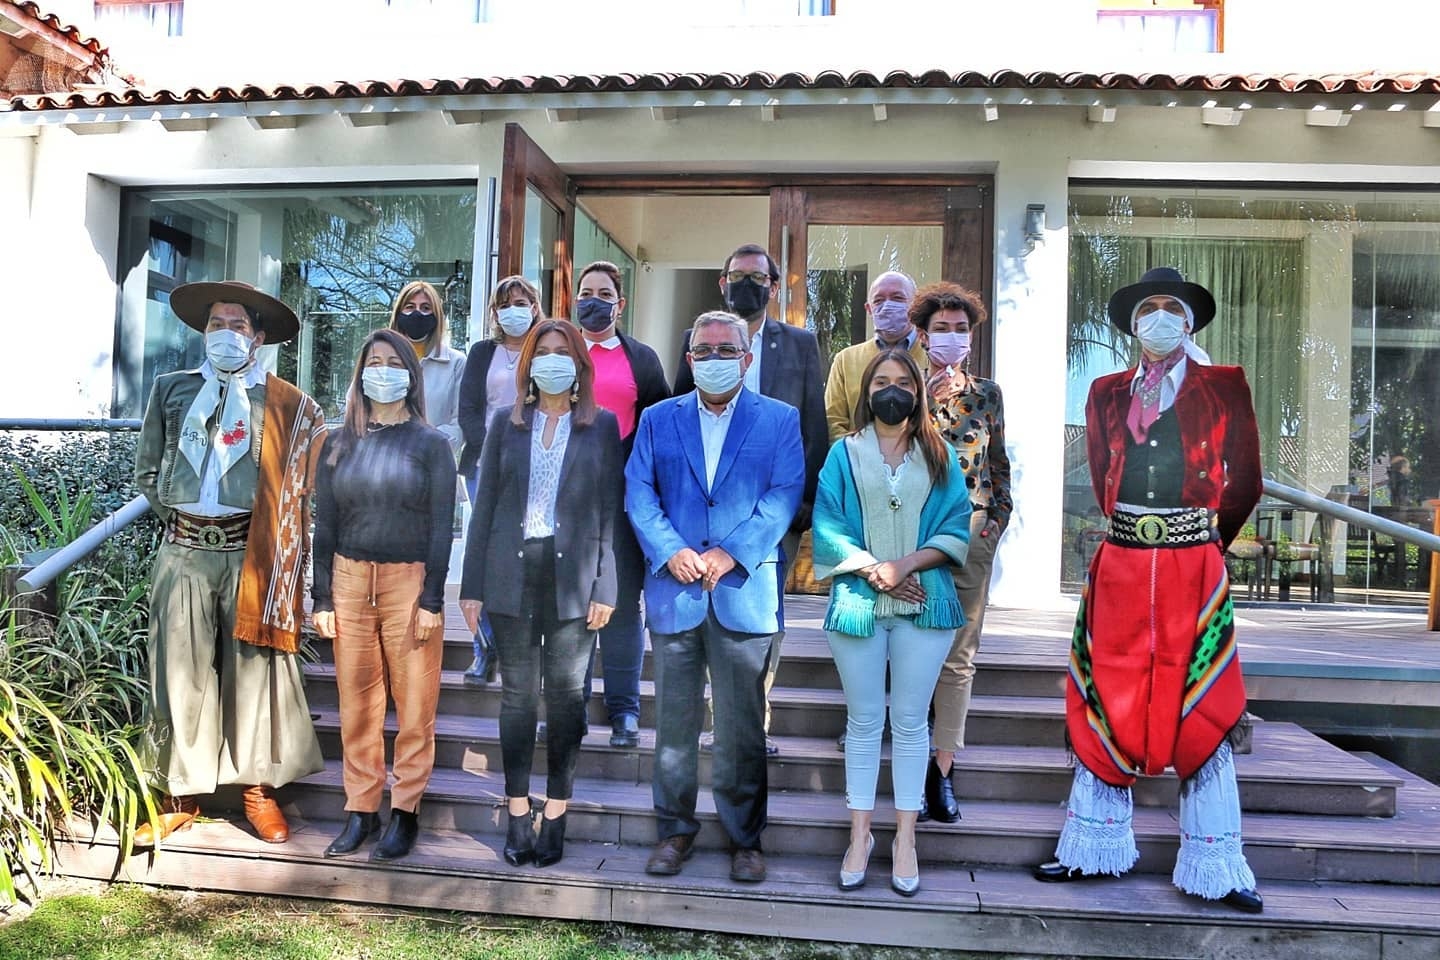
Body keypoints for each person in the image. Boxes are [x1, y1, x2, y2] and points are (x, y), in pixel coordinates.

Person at [1033, 267, 1265, 915]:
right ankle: (1091, 848)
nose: (1158, 317)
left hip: (1194, 564)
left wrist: (1206, 543)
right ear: (1134, 325)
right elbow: (1102, 473)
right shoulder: (1106, 391)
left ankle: (1217, 866)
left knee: (1204, 696)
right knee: (1108, 691)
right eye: (1147, 309)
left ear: (1188, 321)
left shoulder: (1224, 386)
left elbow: (1246, 478)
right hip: (1122, 562)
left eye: (1170, 307)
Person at [132, 280, 325, 847]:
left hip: (251, 552)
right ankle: (180, 795)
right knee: (179, 671)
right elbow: (148, 470)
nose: (225, 333)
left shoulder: (283, 402)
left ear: (257, 338)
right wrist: (183, 517)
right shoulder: (170, 389)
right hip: (185, 552)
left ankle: (257, 791)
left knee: (255, 672)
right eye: (216, 324)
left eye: (237, 325)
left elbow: (303, 486)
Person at [626, 310, 804, 884]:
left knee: (740, 729)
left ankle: (745, 838)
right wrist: (670, 550)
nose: (714, 359)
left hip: (742, 591)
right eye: (704, 350)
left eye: (727, 350)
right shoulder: (657, 419)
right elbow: (639, 492)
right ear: (689, 358)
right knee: (674, 728)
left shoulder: (780, 419)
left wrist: (733, 552)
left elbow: (784, 495)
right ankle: (674, 832)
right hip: (675, 590)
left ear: (747, 359)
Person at [460, 320, 622, 869]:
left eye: (562, 352)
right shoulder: (506, 425)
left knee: (568, 698)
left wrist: (605, 584)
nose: (552, 360)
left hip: (574, 578)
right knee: (517, 698)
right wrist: (472, 586)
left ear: (579, 365)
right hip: (511, 572)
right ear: (528, 364)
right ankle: (516, 807)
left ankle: (556, 809)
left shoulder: (602, 425)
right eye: (543, 352)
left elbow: (609, 511)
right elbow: (484, 507)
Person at [811, 347, 971, 897]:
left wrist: (904, 566)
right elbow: (827, 523)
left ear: (918, 392)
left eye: (903, 381)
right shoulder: (843, 454)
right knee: (862, 723)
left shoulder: (940, 453)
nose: (892, 390)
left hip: (926, 602)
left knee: (909, 722)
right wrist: (875, 570)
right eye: (881, 381)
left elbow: (956, 524)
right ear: (867, 391)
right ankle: (860, 836)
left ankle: (905, 838)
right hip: (858, 602)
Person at [674, 242, 828, 758]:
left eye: (757, 277)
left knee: (763, 620)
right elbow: (679, 416)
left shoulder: (800, 344)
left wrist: (804, 504)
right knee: (709, 609)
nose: (746, 284)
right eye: (737, 276)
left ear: (773, 287)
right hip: (708, 507)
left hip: (774, 512)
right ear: (722, 283)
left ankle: (752, 725)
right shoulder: (697, 341)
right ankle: (717, 722)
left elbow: (813, 426)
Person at [310, 328, 456, 862]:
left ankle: (406, 811)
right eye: (374, 362)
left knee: (415, 706)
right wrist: (321, 597)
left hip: (408, 585)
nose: (383, 372)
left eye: (394, 363)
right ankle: (361, 809)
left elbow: (442, 526)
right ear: (360, 373)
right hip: (349, 581)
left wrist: (433, 599)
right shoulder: (337, 442)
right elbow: (325, 522)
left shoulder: (432, 444)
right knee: (357, 705)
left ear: (411, 377)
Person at [909, 282, 1012, 823]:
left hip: (972, 531)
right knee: (911, 647)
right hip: (911, 532)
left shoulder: (987, 393)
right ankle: (909, 759)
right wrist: (924, 400)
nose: (951, 337)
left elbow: (998, 463)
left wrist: (997, 520)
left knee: (958, 654)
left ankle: (943, 770)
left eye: (960, 329)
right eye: (941, 329)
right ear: (923, 336)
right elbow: (887, 450)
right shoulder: (901, 385)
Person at [572, 260, 670, 749]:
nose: (594, 301)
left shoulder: (642, 359)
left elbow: (660, 426)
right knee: (568, 607)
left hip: (624, 501)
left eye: (604, 294)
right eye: (586, 292)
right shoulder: (558, 351)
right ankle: (568, 705)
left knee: (623, 605)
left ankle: (624, 711)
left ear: (620, 303)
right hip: (567, 500)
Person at [455, 275, 544, 685]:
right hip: (484, 465)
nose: (514, 311)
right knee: (486, 552)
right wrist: (493, 452)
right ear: (494, 312)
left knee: (526, 554)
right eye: (506, 304)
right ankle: (483, 648)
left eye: (521, 303)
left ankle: (520, 650)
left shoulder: (546, 350)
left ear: (535, 307)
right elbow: (469, 410)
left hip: (534, 467)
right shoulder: (481, 352)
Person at [824, 270, 928, 442]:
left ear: (915, 305)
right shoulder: (846, 360)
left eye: (897, 298)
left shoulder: (932, 356)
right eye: (879, 300)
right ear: (869, 309)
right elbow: (833, 422)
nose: (887, 306)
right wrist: (859, 453)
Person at [388, 279, 466, 456]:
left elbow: (460, 423)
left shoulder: (456, 362)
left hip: (433, 461)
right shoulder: (378, 359)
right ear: (398, 313)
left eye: (425, 308)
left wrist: (425, 444)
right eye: (410, 307)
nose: (417, 314)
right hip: (384, 459)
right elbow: (357, 407)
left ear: (436, 315)